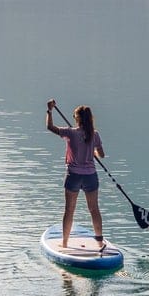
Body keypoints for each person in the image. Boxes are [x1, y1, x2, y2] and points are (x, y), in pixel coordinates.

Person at [45, 98, 106, 250]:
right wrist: (91, 150)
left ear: (77, 119)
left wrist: (49, 110)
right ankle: (99, 242)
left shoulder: (70, 133)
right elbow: (102, 155)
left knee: (69, 210)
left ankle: (64, 243)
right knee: (94, 209)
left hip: (73, 176)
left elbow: (50, 127)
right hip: (90, 176)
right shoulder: (95, 134)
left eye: (74, 116)